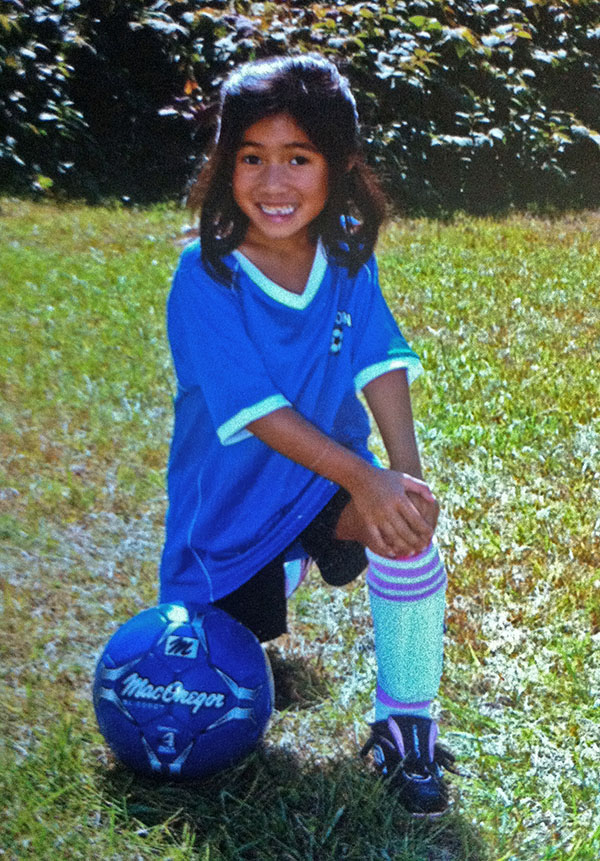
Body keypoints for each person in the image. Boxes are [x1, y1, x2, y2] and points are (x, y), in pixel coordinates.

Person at [160, 54, 457, 816]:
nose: (273, 182)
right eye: (252, 158)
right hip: (229, 507)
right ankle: (267, 589)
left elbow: (380, 357)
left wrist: (400, 477)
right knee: (209, 684)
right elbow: (258, 413)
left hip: (323, 480)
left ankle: (407, 724)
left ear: (341, 165)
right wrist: (364, 477)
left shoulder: (348, 247)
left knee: (405, 533)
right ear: (225, 164)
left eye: (300, 158)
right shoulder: (207, 274)